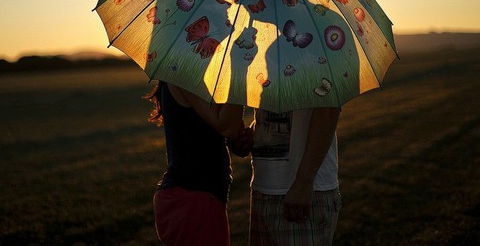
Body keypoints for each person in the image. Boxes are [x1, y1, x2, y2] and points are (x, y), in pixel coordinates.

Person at [146, 81, 245, 246]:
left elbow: (226, 128)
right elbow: (227, 127)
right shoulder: (185, 77)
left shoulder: (198, 77)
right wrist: (241, 71)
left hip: (195, 197)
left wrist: (239, 141)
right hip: (193, 199)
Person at [246, 107, 342, 245]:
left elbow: (329, 110)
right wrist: (254, 133)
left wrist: (303, 183)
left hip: (303, 192)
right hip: (263, 188)